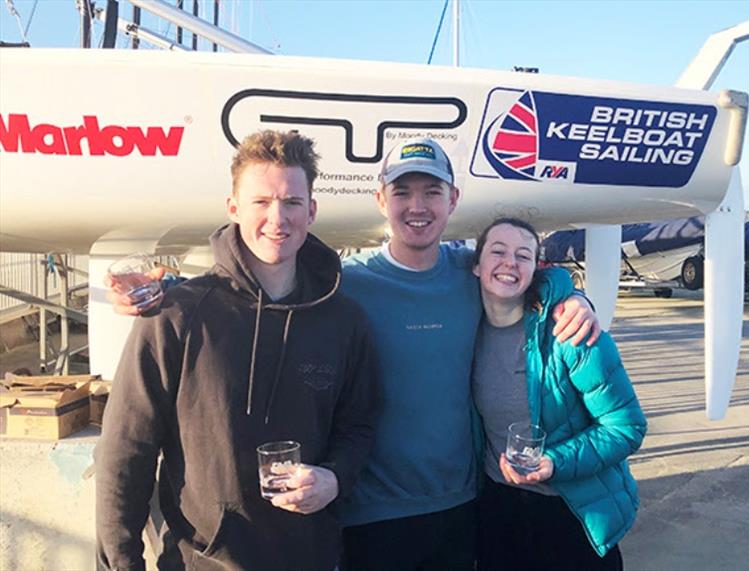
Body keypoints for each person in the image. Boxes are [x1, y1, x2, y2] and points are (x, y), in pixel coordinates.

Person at [108, 137, 600, 570]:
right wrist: (162, 292)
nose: (417, 206)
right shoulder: (348, 285)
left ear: (453, 199)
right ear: (380, 199)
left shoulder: (465, 274)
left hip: (458, 507)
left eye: (431, 191)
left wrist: (570, 292)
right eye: (402, 191)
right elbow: (129, 446)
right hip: (367, 516)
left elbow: (519, 269)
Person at [95, 130, 380, 571]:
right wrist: (119, 563)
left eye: (291, 203)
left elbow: (358, 427)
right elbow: (125, 451)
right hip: (201, 561)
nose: (277, 218)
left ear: (312, 210)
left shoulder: (344, 320)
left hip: (313, 558)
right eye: (261, 202)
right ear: (233, 209)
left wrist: (334, 477)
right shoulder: (176, 315)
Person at [470, 217, 647, 571]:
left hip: (570, 510)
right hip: (498, 507)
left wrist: (555, 462)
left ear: (536, 268)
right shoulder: (465, 327)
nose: (510, 263)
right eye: (498, 251)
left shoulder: (572, 332)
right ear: (476, 266)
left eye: (524, 255)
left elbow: (626, 426)